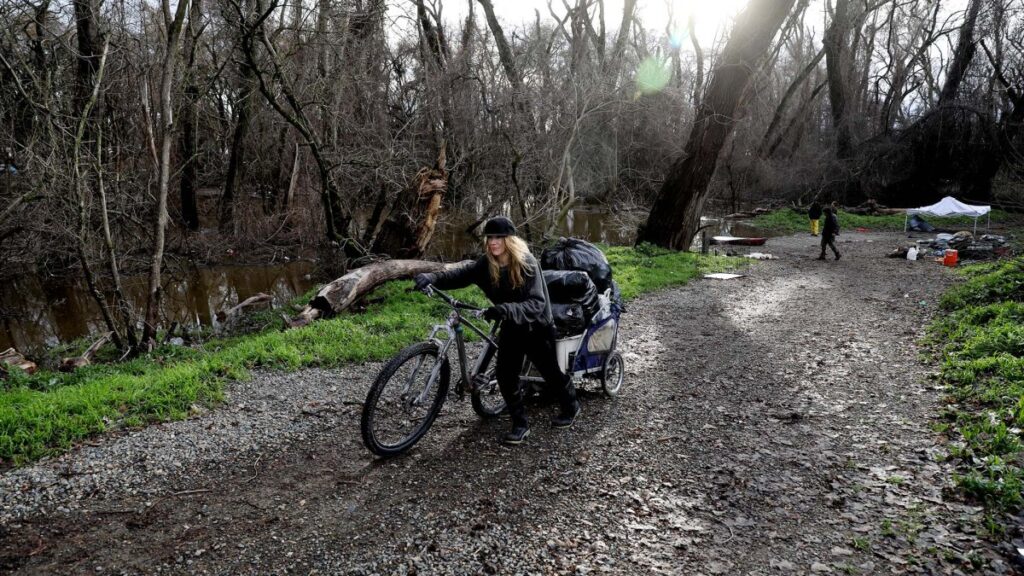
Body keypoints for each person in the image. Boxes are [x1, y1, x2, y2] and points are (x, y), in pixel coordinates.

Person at [413, 216, 580, 445]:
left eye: (498, 237)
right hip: (512, 325)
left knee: (549, 371)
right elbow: (461, 274)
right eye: (490, 237)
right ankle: (520, 424)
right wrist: (431, 278)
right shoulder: (487, 263)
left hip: (536, 325)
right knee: (505, 375)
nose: (493, 242)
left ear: (509, 239)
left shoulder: (526, 263)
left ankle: (571, 405)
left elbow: (537, 303)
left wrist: (504, 309)